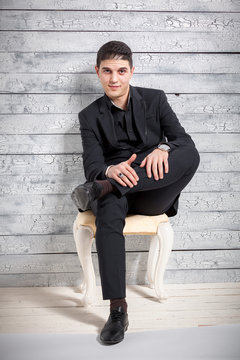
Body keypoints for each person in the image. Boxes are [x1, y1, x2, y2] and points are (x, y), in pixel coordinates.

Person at [71, 40, 200, 345]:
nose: (114, 78)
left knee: (190, 154)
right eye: (107, 71)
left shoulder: (155, 100)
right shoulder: (88, 116)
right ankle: (118, 311)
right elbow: (92, 165)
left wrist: (163, 148)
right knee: (107, 209)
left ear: (131, 71)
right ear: (98, 72)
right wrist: (108, 172)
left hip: (154, 193)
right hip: (117, 192)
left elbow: (182, 140)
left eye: (121, 71)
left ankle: (104, 189)